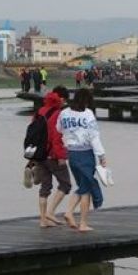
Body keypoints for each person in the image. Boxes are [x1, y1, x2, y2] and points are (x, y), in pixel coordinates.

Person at [57, 88, 107, 232]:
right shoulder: (88, 114)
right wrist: (102, 156)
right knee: (86, 187)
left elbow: (59, 129)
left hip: (71, 153)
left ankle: (82, 222)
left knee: (84, 186)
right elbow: (94, 137)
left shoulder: (64, 113)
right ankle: (72, 214)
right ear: (87, 100)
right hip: (86, 153)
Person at [31, 86, 72, 227]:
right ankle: (51, 212)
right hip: (53, 155)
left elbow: (32, 133)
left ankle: (43, 220)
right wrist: (61, 156)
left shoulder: (39, 111)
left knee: (45, 186)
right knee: (66, 184)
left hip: (39, 154)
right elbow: (56, 137)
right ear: (61, 98)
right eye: (64, 100)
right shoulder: (58, 114)